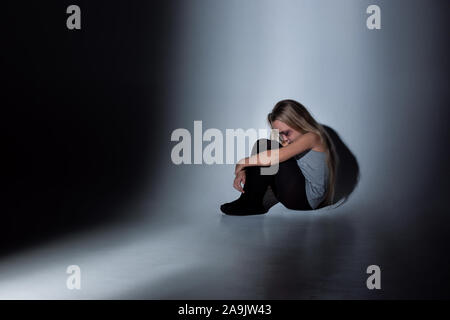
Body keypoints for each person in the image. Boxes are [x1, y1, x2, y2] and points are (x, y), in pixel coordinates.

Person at [220, 99, 338, 216]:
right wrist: (244, 170)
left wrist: (243, 162)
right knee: (265, 147)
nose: (284, 138)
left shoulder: (312, 137)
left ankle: (251, 202)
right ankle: (250, 200)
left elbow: (274, 156)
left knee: (267, 147)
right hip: (294, 192)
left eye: (286, 133)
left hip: (306, 199)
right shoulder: (294, 140)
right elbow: (265, 157)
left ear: (299, 122)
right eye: (280, 134)